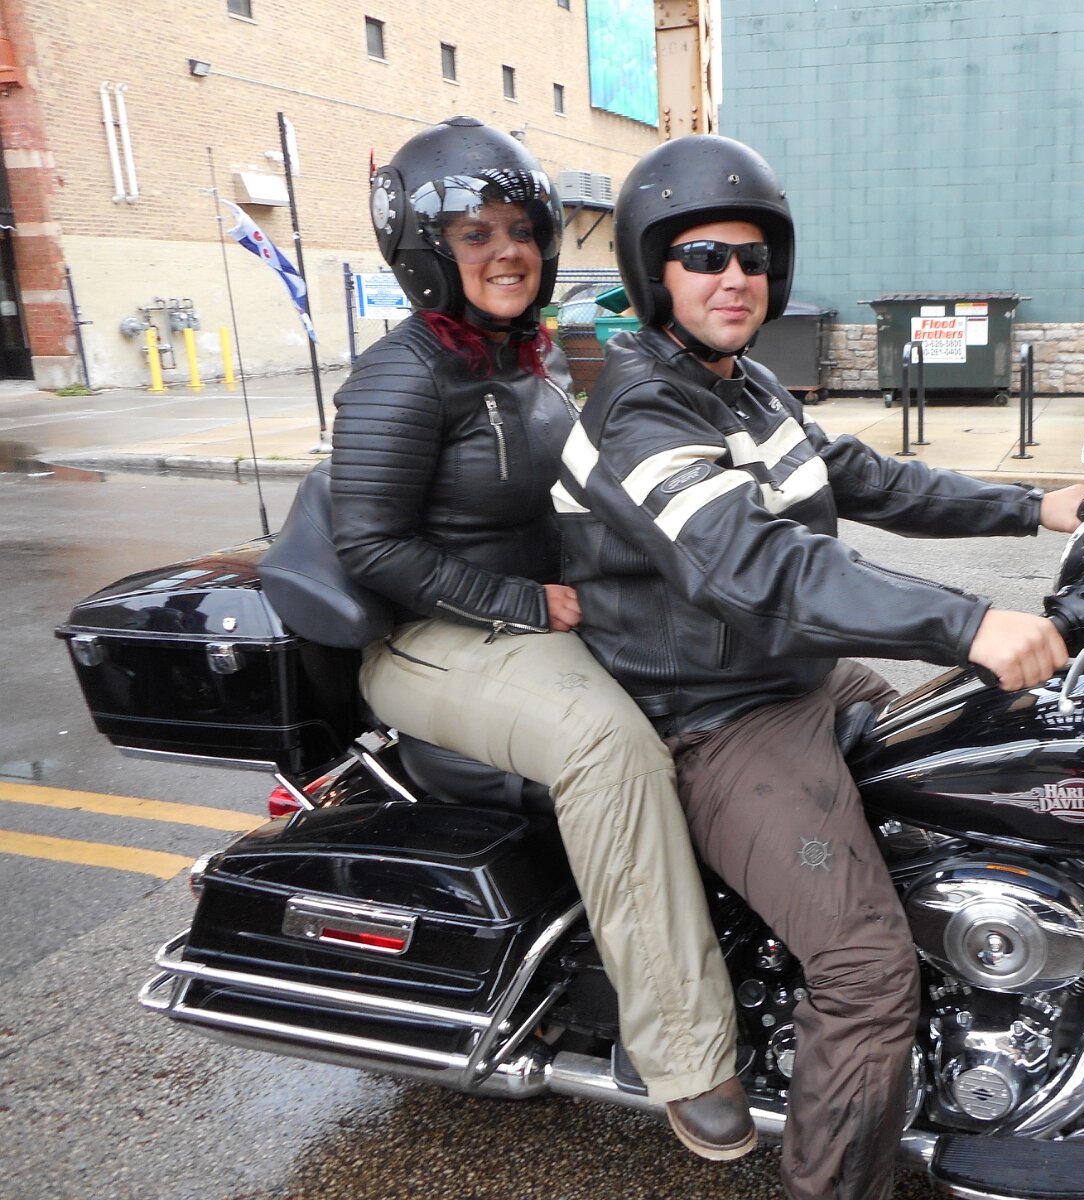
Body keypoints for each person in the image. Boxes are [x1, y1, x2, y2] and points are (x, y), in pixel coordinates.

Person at [555, 134, 1084, 1200]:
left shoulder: (743, 386)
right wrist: (966, 623)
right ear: (654, 273)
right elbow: (759, 566)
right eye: (705, 256)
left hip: (795, 680)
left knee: (986, 769)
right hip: (712, 719)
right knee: (865, 972)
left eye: (753, 256)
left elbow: (872, 478)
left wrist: (1038, 505)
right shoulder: (641, 411)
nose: (735, 276)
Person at [329, 117, 753, 1161]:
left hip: (540, 615)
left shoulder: (528, 359)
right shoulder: (403, 374)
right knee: (608, 748)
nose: (508, 251)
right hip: (432, 640)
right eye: (475, 234)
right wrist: (521, 603)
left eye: (520, 230)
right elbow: (370, 546)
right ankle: (686, 1054)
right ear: (426, 252)